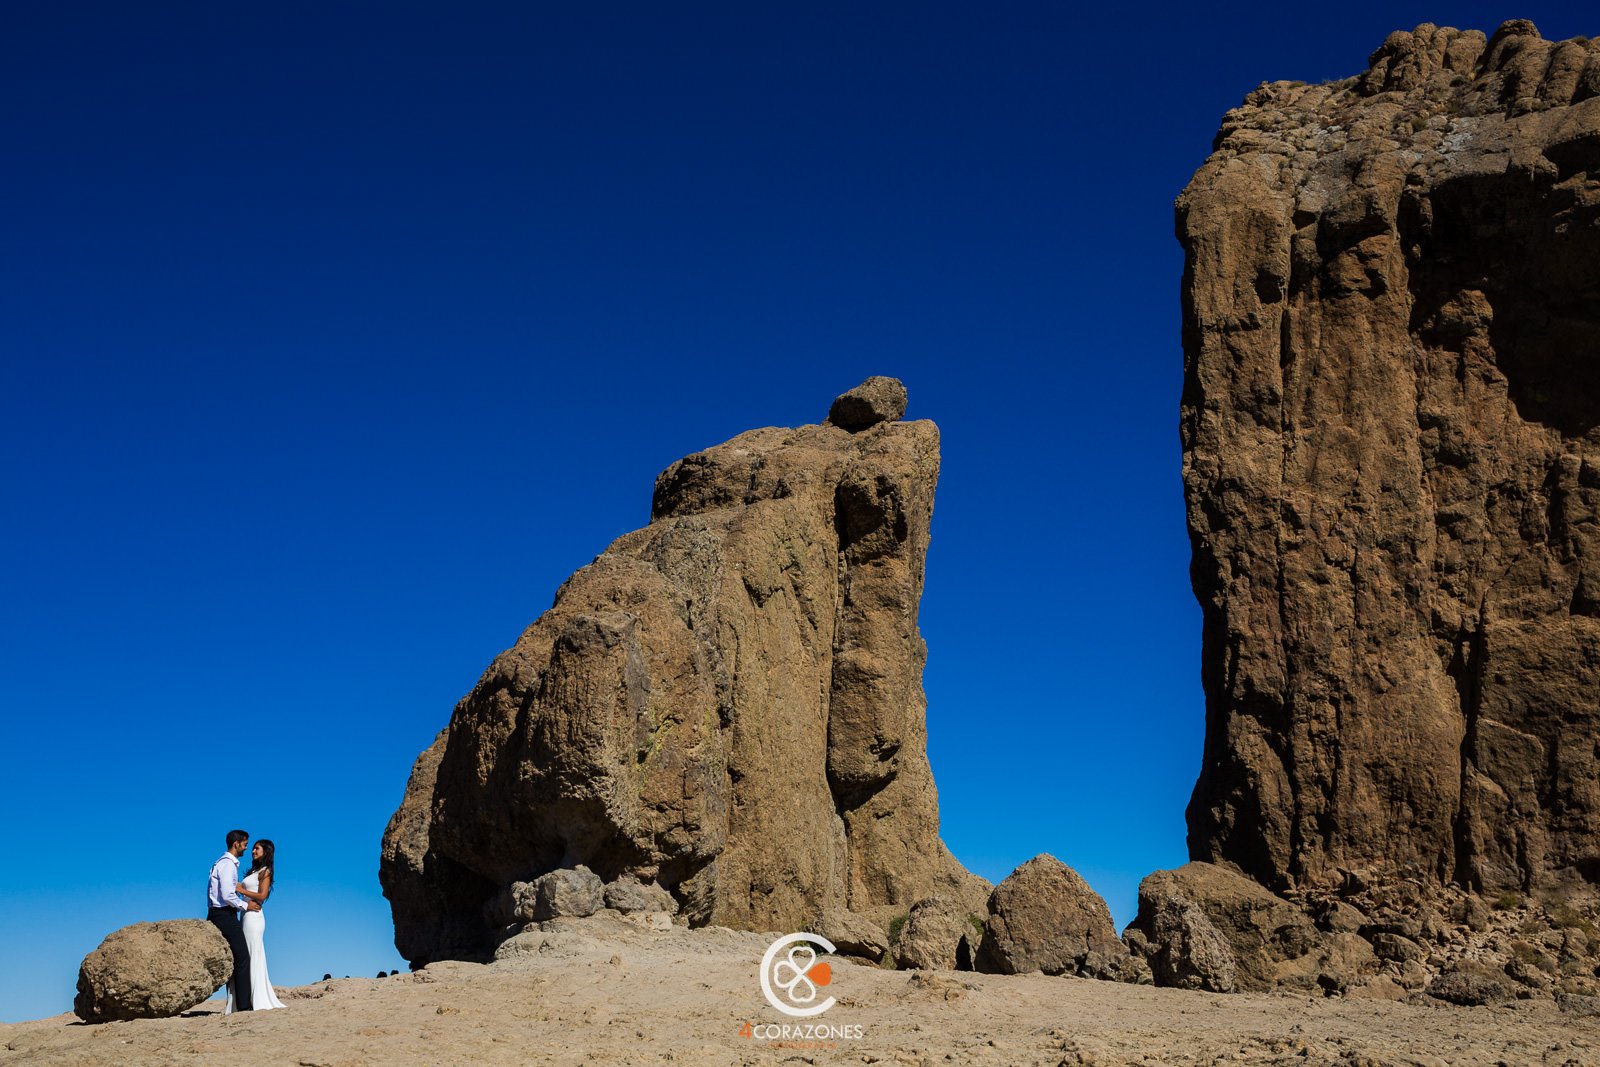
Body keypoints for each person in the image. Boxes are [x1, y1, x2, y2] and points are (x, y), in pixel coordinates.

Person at [228, 838, 286, 1012]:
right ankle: (244, 998)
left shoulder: (265, 871)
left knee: (252, 954)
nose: (253, 851)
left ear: (266, 851)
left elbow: (262, 895)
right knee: (245, 954)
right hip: (245, 915)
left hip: (254, 917)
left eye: (257, 848)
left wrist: (241, 890)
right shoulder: (253, 871)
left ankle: (254, 998)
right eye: (253, 848)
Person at [207, 830, 259, 1012]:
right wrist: (246, 906)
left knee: (236, 958)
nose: (246, 848)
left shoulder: (220, 862)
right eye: (245, 844)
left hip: (217, 914)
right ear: (236, 844)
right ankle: (243, 1006)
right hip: (224, 915)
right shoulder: (228, 864)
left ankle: (235, 1004)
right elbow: (227, 895)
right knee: (242, 957)